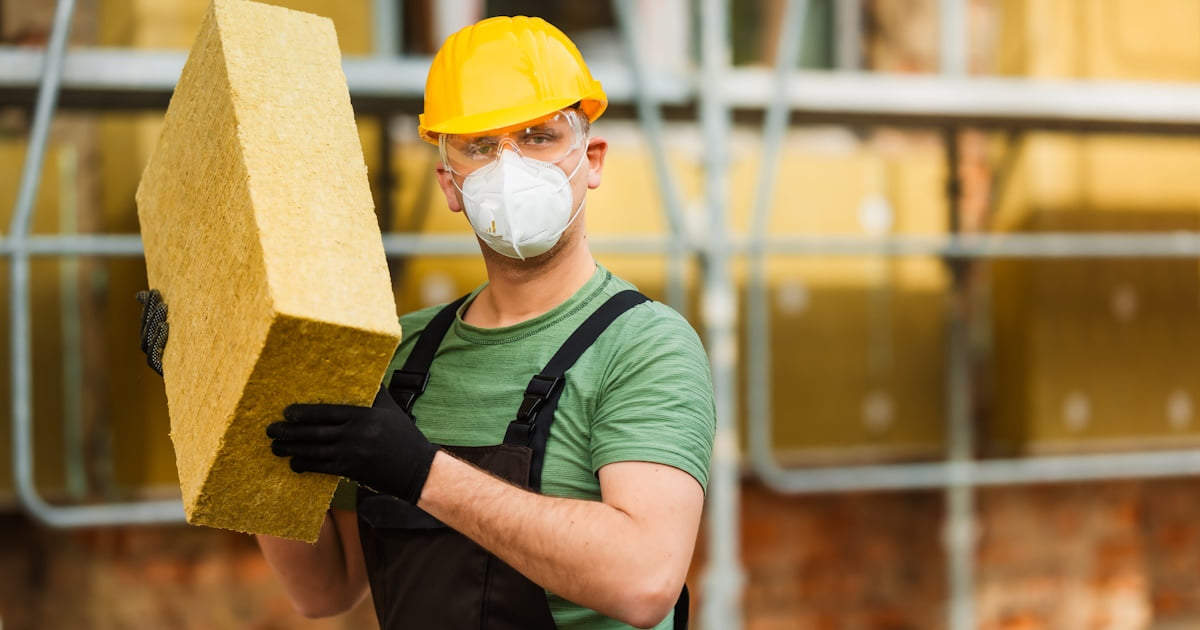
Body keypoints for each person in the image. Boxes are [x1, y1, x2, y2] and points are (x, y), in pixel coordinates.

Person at [140, 15, 715, 630]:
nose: (510, 165)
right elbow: (326, 590)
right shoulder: (400, 352)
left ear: (591, 158)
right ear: (450, 182)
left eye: (539, 136)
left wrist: (422, 472)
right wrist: (228, 385)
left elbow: (645, 580)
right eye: (480, 146)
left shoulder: (644, 345)